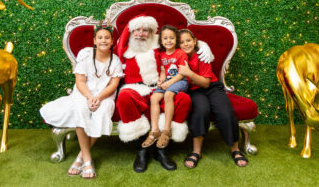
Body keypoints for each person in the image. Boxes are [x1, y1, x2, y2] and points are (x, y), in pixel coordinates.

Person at [115, 15, 213, 173]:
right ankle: (142, 150)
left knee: (183, 98)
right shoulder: (123, 47)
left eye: (145, 30)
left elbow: (180, 39)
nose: (140, 33)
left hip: (160, 87)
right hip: (136, 89)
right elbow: (102, 46)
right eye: (137, 30)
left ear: (153, 32)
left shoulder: (159, 43)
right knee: (124, 96)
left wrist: (202, 45)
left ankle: (162, 149)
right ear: (130, 32)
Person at [40, 24, 123, 179]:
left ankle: (81, 157)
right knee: (81, 110)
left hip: (105, 96)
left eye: (107, 38)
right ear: (94, 41)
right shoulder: (86, 57)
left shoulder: (115, 61)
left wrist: (98, 98)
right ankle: (88, 160)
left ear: (112, 42)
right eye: (100, 38)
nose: (103, 40)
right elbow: (80, 81)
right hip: (83, 94)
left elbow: (113, 85)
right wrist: (89, 97)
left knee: (103, 111)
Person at [178, 29, 249, 168]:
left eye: (188, 40)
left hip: (211, 87)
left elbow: (205, 82)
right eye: (181, 42)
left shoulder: (202, 54)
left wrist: (188, 73)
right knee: (201, 111)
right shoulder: (177, 57)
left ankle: (235, 149)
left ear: (194, 41)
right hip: (193, 91)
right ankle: (196, 151)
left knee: (225, 112)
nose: (185, 44)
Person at [142, 25, 189, 149]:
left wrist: (169, 83)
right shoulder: (162, 54)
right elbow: (163, 70)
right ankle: (155, 130)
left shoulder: (181, 53)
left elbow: (182, 73)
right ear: (161, 41)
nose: (168, 41)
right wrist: (161, 80)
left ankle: (166, 130)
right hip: (167, 81)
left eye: (172, 38)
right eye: (165, 38)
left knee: (168, 94)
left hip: (180, 80)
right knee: (154, 98)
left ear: (176, 40)